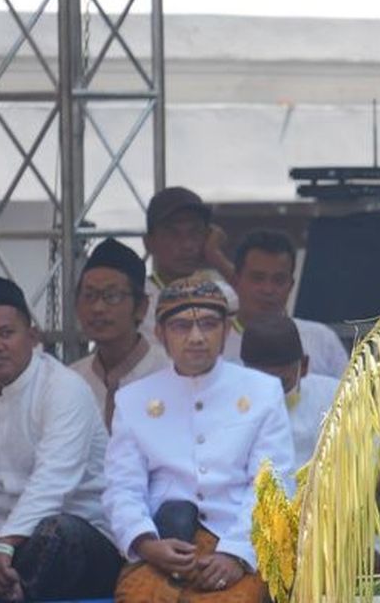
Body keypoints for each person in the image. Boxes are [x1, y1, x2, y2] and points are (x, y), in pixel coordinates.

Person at [104, 278, 294, 602]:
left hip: (238, 542)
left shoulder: (262, 392)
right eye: (181, 326)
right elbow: (122, 487)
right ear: (160, 334)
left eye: (208, 324)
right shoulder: (133, 400)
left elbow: (272, 485)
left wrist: (236, 554)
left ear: (227, 332)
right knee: (139, 596)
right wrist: (146, 543)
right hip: (164, 542)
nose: (196, 338)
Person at [0, 276, 122, 601]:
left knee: (54, 534)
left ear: (32, 336)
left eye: (6, 333)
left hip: (80, 534)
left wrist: (5, 543)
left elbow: (52, 483)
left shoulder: (63, 388)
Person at [70, 238, 170, 430]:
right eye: (89, 296)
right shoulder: (72, 381)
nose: (98, 308)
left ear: (141, 307)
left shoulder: (169, 374)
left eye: (112, 296)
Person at [228, 230, 349, 378]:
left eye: (278, 280)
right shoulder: (214, 345)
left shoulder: (322, 340)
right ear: (235, 281)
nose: (268, 289)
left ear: (290, 285)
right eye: (257, 278)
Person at [240, 312, 338, 468]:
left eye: (281, 383)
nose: (271, 394)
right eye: (260, 383)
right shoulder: (224, 404)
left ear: (304, 367)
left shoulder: (336, 397)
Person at [141, 186, 236, 340]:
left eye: (195, 232)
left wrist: (216, 256)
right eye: (173, 234)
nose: (187, 245)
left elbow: (258, 302)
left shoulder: (220, 294)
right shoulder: (134, 299)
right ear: (149, 243)